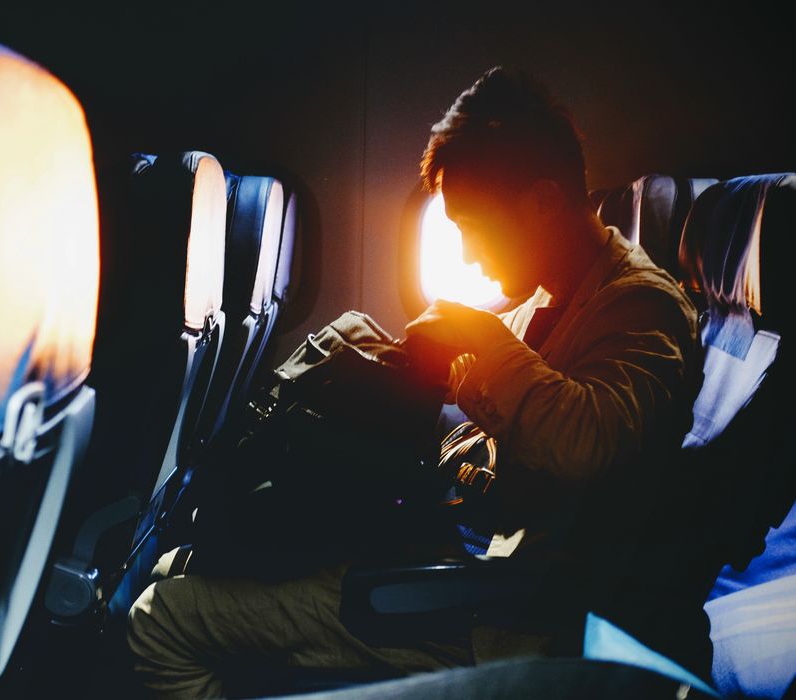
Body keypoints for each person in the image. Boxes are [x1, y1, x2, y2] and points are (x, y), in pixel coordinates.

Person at [127, 66, 704, 699]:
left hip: (501, 611)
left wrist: (477, 334)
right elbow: (501, 409)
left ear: (540, 202)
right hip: (455, 553)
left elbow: (585, 443)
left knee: (162, 619)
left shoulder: (643, 307)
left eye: (473, 226)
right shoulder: (549, 299)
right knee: (188, 561)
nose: (469, 253)